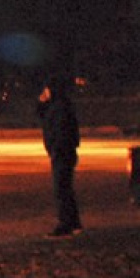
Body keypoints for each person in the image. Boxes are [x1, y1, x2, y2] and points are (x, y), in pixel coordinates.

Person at [38, 73, 83, 238]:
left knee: (62, 190)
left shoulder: (59, 107)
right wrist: (42, 102)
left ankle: (66, 224)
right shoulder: (58, 105)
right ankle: (74, 223)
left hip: (62, 153)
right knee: (65, 189)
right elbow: (41, 115)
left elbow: (61, 131)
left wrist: (56, 150)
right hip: (63, 152)